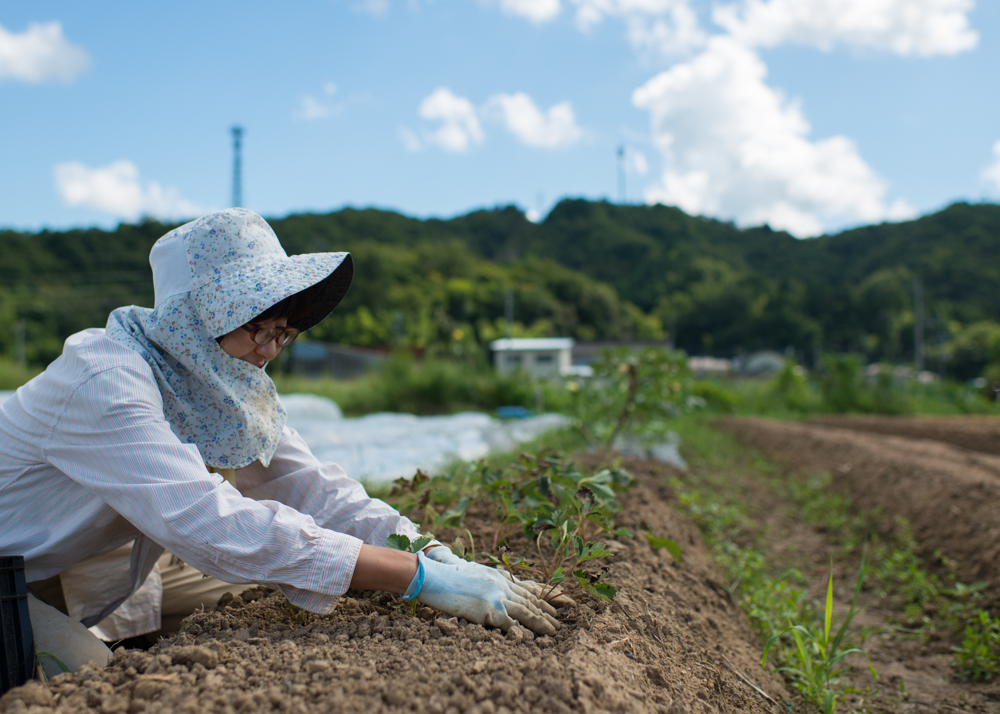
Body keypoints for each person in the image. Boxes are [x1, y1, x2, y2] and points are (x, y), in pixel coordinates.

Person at [0, 209, 559, 678]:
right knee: (93, 678)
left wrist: (435, 556)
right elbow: (205, 521)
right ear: (195, 315)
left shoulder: (218, 382)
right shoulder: (105, 379)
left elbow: (311, 487)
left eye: (284, 332)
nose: (269, 350)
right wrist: (413, 579)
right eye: (257, 326)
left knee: (263, 599)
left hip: (79, 559)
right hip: (10, 570)